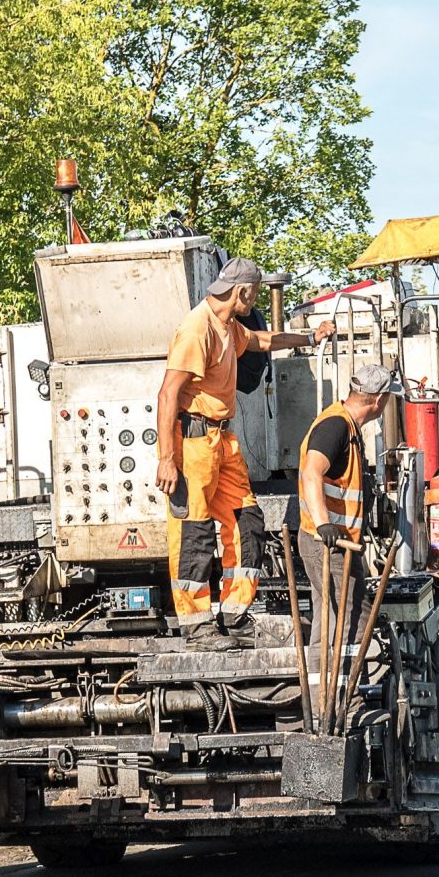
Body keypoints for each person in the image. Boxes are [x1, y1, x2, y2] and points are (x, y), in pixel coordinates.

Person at [156, 257, 334, 650]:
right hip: (193, 444)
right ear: (243, 292)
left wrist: (309, 339)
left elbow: (263, 341)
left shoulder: (227, 327)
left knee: (247, 521)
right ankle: (197, 625)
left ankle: (234, 614)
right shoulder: (196, 329)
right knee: (194, 533)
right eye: (252, 296)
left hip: (221, 441)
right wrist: (167, 458)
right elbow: (168, 395)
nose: (253, 304)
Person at [297, 363, 400, 694]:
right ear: (378, 400)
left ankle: (324, 700)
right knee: (352, 619)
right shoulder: (336, 427)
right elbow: (312, 472)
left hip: (338, 544)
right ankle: (345, 700)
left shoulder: (349, 428)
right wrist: (324, 523)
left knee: (330, 621)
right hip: (327, 542)